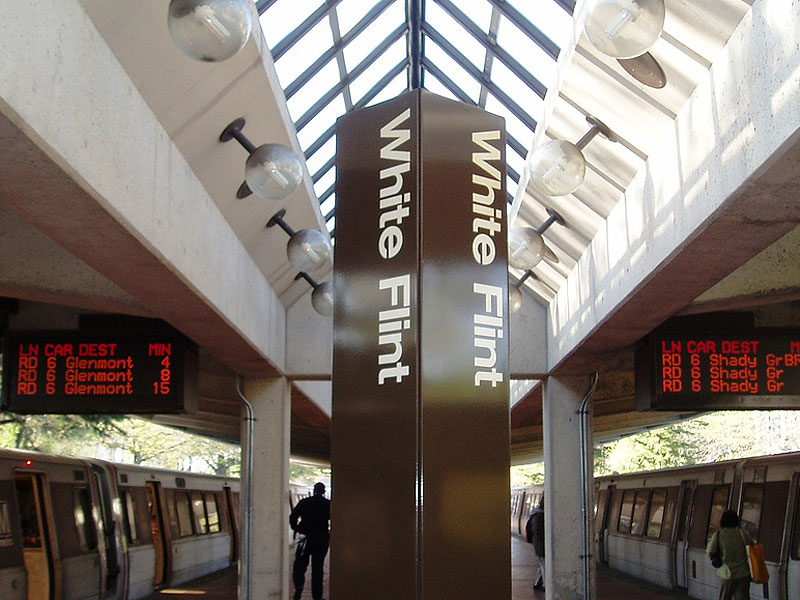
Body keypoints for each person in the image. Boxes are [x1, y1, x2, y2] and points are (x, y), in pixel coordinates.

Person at [289, 482, 330, 600]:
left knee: (300, 565)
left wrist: (296, 528)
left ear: (313, 490)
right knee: (318, 568)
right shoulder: (327, 504)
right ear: (323, 492)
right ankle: (317, 596)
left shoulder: (304, 502)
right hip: (321, 537)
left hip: (304, 537)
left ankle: (298, 589)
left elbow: (293, 517)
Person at [706, 509, 755, 600]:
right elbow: (753, 548)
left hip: (726, 574)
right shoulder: (743, 533)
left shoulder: (719, 535)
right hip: (743, 574)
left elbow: (710, 551)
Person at [525, 496, 545, 592]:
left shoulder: (536, 515)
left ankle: (538, 583)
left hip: (539, 545)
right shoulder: (539, 516)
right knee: (544, 566)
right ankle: (544, 584)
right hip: (541, 545)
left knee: (542, 565)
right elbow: (538, 532)